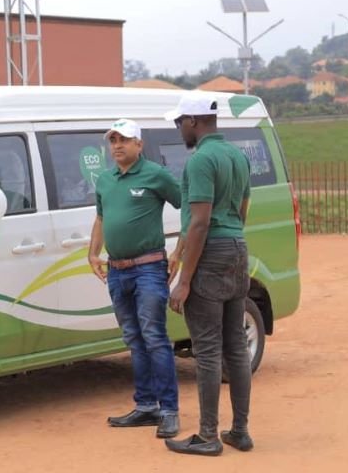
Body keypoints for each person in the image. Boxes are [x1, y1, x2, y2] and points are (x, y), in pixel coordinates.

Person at [163, 93, 254, 457]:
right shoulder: (237, 156)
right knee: (235, 347)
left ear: (193, 122)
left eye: (178, 122)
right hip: (237, 248)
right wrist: (230, 239)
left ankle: (207, 436)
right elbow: (243, 208)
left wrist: (184, 281)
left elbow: (199, 222)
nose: (177, 128)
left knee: (207, 350)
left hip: (211, 252)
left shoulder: (200, 160)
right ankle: (240, 432)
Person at [88, 118, 182, 439]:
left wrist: (180, 251)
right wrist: (92, 253)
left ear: (139, 144)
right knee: (134, 338)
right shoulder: (105, 180)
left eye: (124, 140)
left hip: (149, 268)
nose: (117, 146)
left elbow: (191, 207)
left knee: (154, 336)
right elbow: (101, 218)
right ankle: (146, 406)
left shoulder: (156, 175)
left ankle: (169, 410)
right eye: (113, 140)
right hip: (117, 270)